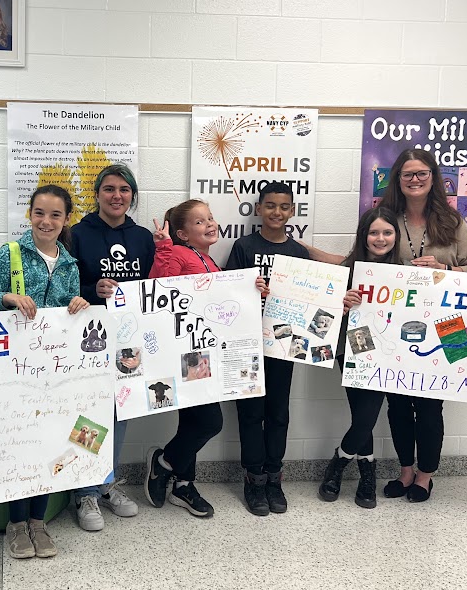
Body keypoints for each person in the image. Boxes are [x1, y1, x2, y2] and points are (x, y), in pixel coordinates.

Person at [0, 184, 90, 559]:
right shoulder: (9, 253)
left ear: (66, 219)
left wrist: (78, 303)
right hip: (14, 370)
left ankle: (38, 521)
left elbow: (69, 311)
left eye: (55, 215)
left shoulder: (70, 264)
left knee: (50, 440)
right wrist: (7, 298)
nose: (46, 221)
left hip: (54, 371)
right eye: (39, 213)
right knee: (18, 443)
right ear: (30, 214)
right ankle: (16, 523)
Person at [378, 149, 467, 502]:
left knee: (429, 405)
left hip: (448, 324)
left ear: (433, 177)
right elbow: (364, 261)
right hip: (396, 322)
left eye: (422, 173)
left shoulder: (452, 221)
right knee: (397, 403)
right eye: (407, 174)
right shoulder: (386, 218)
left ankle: (425, 476)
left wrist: (444, 270)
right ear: (398, 179)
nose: (415, 180)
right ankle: (405, 471)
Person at [68, 164, 153, 531]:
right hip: (89, 338)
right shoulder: (77, 234)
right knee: (90, 411)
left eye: (124, 189)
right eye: (109, 189)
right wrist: (92, 291)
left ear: (132, 195)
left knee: (122, 410)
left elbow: (153, 285)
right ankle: (84, 490)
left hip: (129, 338)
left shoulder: (143, 238)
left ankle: (106, 483)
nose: (117, 196)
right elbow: (65, 286)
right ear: (97, 194)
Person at [223, 181, 311, 516]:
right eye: (270, 205)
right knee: (250, 413)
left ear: (292, 211)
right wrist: (249, 288)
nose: (277, 212)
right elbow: (226, 293)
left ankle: (274, 475)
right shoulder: (243, 247)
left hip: (284, 345)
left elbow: (310, 300)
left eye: (284, 206)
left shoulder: (298, 253)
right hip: (246, 344)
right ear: (258, 209)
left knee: (278, 412)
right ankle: (253, 478)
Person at [143, 199, 232, 519]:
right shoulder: (179, 253)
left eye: (210, 217)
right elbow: (158, 288)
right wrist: (163, 248)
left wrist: (252, 290)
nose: (210, 223)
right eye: (200, 221)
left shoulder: (209, 260)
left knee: (193, 422)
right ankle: (164, 462)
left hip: (203, 351)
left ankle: (182, 484)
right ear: (182, 233)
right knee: (210, 422)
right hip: (182, 352)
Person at [318, 207, 404, 509]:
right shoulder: (348, 268)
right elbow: (322, 313)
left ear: (396, 235)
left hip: (388, 349)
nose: (380, 239)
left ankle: (340, 463)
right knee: (363, 415)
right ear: (363, 235)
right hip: (353, 344)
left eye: (387, 232)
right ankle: (367, 472)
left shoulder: (407, 270)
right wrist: (341, 303)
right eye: (373, 232)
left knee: (365, 416)